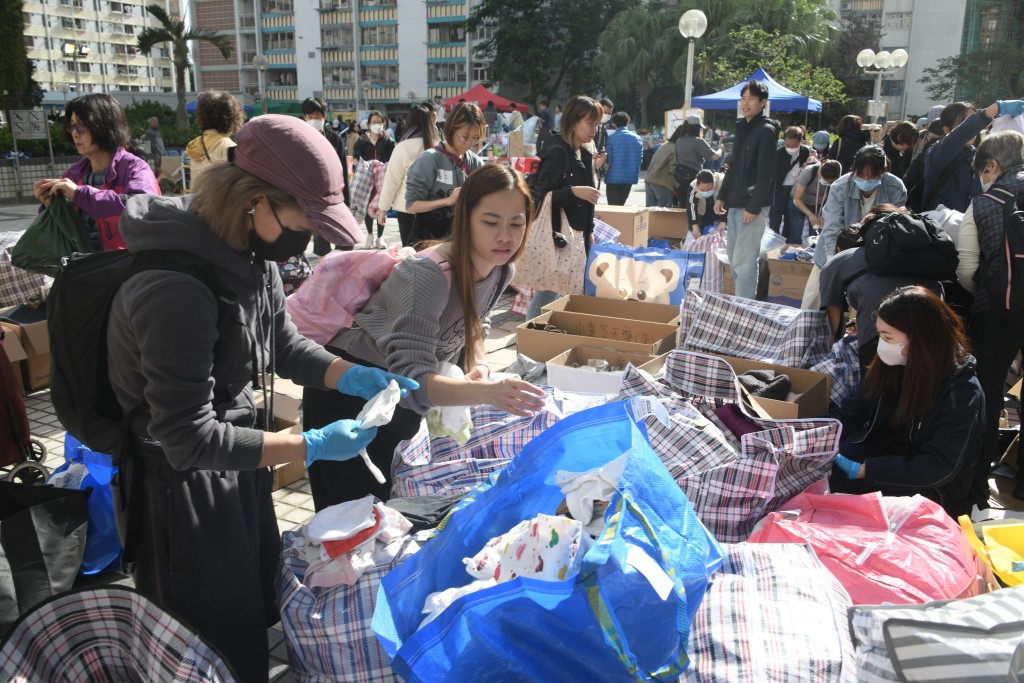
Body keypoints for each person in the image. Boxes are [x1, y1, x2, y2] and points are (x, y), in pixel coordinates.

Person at [104, 115, 414, 682]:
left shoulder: (249, 257)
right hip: (180, 485)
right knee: (208, 642)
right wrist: (310, 444)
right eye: (304, 220)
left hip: (237, 461)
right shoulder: (174, 288)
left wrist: (353, 375)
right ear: (254, 201)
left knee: (249, 610)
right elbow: (188, 437)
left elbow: (284, 345)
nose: (308, 236)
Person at [304, 164, 547, 510]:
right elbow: (413, 381)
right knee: (348, 518)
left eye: (517, 224)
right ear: (465, 219)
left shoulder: (501, 270)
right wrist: (488, 393)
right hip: (351, 396)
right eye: (491, 222)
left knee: (395, 512)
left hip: (400, 402)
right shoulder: (428, 275)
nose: (505, 237)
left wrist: (479, 366)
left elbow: (477, 324)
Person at [830, 286, 984, 519]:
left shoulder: (961, 392)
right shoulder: (893, 363)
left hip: (931, 487)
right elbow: (854, 410)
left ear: (920, 338)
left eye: (887, 337)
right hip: (881, 457)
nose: (881, 344)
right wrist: (818, 436)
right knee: (827, 469)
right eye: (880, 334)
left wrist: (865, 471)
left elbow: (939, 467)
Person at [965, 130, 1024, 500]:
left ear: (992, 165)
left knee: (989, 391)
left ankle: (976, 483)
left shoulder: (985, 203)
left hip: (996, 307)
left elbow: (966, 267)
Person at [818, 204, 943, 372]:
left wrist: (832, 349)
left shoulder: (843, 260)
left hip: (880, 337)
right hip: (932, 331)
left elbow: (833, 327)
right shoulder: (927, 257)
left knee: (877, 383)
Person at [33, 94, 159, 251]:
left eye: (81, 126)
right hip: (83, 261)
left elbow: (141, 210)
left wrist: (80, 194)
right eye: (72, 126)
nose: (75, 133)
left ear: (105, 126)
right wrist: (50, 206)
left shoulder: (136, 169)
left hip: (128, 261)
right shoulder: (74, 175)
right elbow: (60, 231)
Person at [524, 95, 603, 320]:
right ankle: (530, 337)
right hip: (556, 237)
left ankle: (547, 334)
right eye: (590, 123)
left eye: (597, 124)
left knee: (560, 290)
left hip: (576, 236)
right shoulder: (557, 152)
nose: (595, 129)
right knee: (547, 291)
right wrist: (572, 192)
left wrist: (589, 231)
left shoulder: (584, 153)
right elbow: (538, 196)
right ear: (573, 122)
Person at [713, 80, 780, 300]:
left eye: (751, 99)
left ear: (763, 102)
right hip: (735, 200)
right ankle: (743, 302)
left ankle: (745, 306)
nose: (745, 103)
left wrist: (754, 205)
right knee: (734, 258)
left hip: (752, 204)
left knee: (745, 261)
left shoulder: (766, 130)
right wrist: (722, 195)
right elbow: (733, 166)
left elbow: (767, 173)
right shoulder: (743, 127)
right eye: (743, 98)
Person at [813, 144, 907, 269]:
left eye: (872, 176)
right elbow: (832, 226)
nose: (865, 180)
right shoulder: (840, 187)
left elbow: (894, 227)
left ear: (883, 170)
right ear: (854, 169)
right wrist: (831, 259)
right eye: (860, 175)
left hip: (876, 254)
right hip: (835, 250)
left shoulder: (895, 187)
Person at [921, 100, 1024, 212]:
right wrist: (994, 109)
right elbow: (958, 136)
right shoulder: (937, 154)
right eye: (964, 123)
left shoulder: (980, 156)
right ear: (946, 130)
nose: (973, 129)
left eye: (972, 121)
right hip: (938, 222)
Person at [405, 102, 487, 243]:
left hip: (461, 239)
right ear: (451, 129)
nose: (469, 143)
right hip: (429, 239)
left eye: (475, 138)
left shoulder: (476, 163)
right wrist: (447, 201)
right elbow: (411, 205)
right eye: (465, 137)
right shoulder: (430, 159)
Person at [376, 102, 440, 247]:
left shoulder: (402, 147)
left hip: (407, 210)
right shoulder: (439, 146)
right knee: (431, 251)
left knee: (410, 252)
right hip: (435, 209)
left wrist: (383, 209)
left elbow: (392, 181)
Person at [302, 96, 354, 255]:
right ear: (304, 117)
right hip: (311, 197)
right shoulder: (299, 138)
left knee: (343, 239)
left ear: (324, 117)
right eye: (310, 116)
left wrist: (347, 201)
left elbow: (343, 171)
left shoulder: (334, 139)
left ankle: (339, 263)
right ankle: (323, 264)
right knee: (320, 242)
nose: (314, 120)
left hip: (334, 195)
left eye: (317, 117)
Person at [352, 109, 396, 249]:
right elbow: (355, 157)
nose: (377, 124)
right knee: (368, 206)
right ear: (369, 124)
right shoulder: (362, 140)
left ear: (383, 123)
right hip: (367, 179)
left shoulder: (388, 141)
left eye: (379, 122)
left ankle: (380, 238)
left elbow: (393, 159)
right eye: (374, 122)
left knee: (382, 206)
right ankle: (370, 235)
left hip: (383, 179)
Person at [185, 90, 245, 189]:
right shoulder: (227, 146)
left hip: (197, 197)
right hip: (219, 198)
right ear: (232, 118)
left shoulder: (195, 144)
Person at [770, 126, 815, 244]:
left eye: (794, 145)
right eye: (787, 145)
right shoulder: (778, 153)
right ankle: (772, 245)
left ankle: (787, 245)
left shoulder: (805, 152)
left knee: (790, 220)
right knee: (774, 220)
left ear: (801, 141)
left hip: (796, 191)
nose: (790, 148)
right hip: (779, 190)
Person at [675, 114, 723, 206]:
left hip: (679, 180)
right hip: (694, 180)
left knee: (683, 207)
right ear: (696, 128)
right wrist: (721, 149)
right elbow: (715, 157)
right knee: (695, 206)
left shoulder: (679, 140)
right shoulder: (698, 141)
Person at [792, 159, 841, 238]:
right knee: (796, 231)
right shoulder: (809, 172)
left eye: (829, 182)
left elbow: (832, 200)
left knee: (816, 233)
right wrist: (810, 215)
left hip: (818, 203)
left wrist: (823, 215)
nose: (825, 183)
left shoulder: (836, 180)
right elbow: (796, 199)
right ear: (820, 170)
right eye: (825, 180)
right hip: (800, 201)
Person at [603, 111, 643, 205]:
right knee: (621, 204)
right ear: (628, 122)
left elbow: (609, 160)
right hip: (629, 178)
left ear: (614, 123)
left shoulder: (611, 138)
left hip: (613, 178)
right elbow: (640, 159)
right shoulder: (637, 138)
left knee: (613, 207)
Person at [685, 169, 726, 239]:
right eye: (702, 190)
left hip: (723, 211)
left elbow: (730, 202)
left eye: (710, 189)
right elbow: (691, 207)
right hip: (705, 213)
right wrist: (694, 225)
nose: (706, 192)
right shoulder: (693, 186)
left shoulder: (722, 181)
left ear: (714, 183)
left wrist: (724, 221)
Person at [644, 137, 677, 208]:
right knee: (664, 212)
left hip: (650, 180)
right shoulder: (675, 149)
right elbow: (673, 170)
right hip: (663, 183)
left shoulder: (665, 145)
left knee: (651, 211)